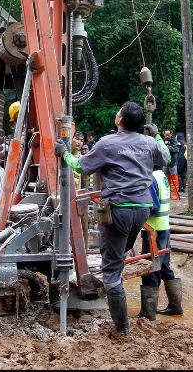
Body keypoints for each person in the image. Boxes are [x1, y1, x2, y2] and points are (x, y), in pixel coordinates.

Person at [54, 101, 169, 336]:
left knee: (111, 269)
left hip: (118, 209)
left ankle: (122, 329)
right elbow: (165, 157)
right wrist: (157, 136)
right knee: (122, 249)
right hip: (143, 209)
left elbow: (80, 166)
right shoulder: (148, 143)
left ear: (120, 120)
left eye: (117, 113)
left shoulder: (108, 143)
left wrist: (64, 152)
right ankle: (118, 272)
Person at [135, 165, 182, 320]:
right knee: (164, 267)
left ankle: (148, 315)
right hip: (163, 227)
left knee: (151, 268)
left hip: (152, 231)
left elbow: (153, 206)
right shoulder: (161, 175)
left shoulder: (150, 178)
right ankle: (175, 307)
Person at [162, 130, 180, 200]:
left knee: (175, 179)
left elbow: (176, 149)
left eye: (168, 135)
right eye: (165, 135)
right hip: (165, 163)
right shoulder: (163, 140)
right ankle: (167, 194)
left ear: (171, 134)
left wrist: (168, 147)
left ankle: (176, 195)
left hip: (172, 163)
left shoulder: (174, 140)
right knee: (166, 180)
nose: (167, 136)